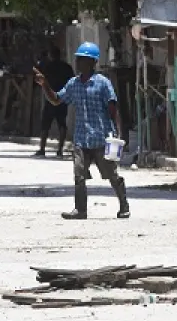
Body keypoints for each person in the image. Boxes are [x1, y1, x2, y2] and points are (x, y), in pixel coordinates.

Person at [34, 42, 129, 220]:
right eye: (78, 59)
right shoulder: (73, 84)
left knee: (111, 174)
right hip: (81, 139)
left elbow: (113, 108)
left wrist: (119, 132)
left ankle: (124, 205)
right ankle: (80, 210)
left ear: (92, 62)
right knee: (79, 175)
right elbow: (56, 100)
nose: (78, 62)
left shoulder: (103, 83)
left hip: (101, 138)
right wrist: (44, 84)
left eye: (82, 59)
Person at [33, 48, 74, 158]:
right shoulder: (67, 67)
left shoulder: (48, 67)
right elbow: (72, 80)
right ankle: (60, 150)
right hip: (63, 98)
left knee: (45, 124)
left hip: (50, 97)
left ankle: (42, 149)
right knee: (62, 123)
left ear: (51, 55)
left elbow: (40, 79)